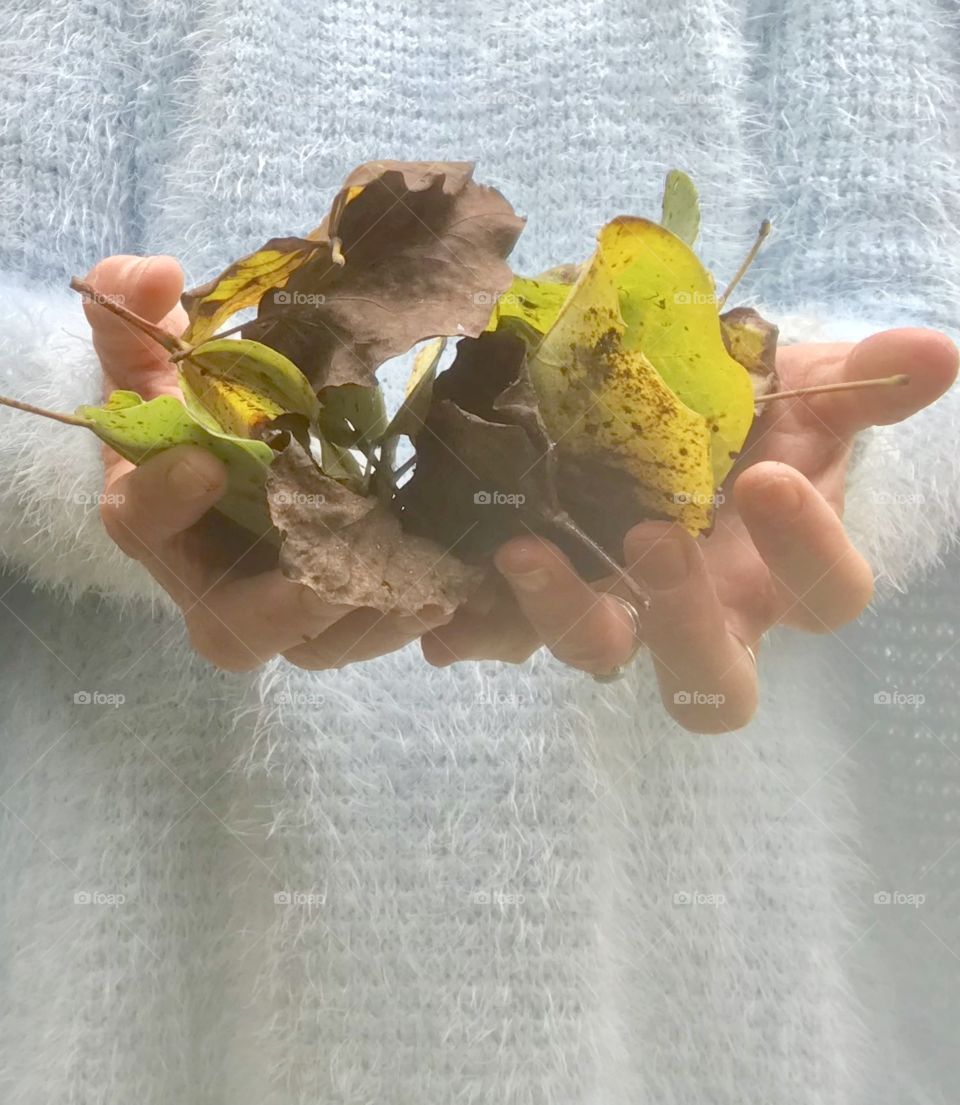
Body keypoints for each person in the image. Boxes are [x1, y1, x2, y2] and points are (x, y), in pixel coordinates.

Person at [0, 1, 958, 1101]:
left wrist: (837, 452)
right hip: (157, 908)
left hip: (710, 918)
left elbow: (923, 319)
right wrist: (119, 435)